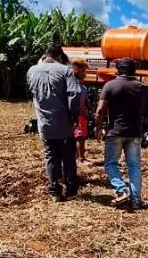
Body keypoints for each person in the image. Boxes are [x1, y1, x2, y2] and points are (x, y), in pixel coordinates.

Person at [95, 58, 148, 209]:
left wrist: (98, 127)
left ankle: (121, 189)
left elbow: (100, 110)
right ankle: (136, 200)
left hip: (115, 131)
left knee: (110, 163)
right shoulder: (143, 87)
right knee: (134, 166)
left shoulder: (110, 86)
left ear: (118, 70)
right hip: (135, 132)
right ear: (134, 71)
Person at [27, 44, 81, 201]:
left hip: (44, 123)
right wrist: (74, 116)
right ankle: (71, 190)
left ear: (46, 55)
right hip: (63, 123)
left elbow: (32, 92)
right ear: (59, 57)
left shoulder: (32, 71)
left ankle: (54, 191)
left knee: (50, 156)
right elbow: (74, 95)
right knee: (68, 157)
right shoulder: (65, 71)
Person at [71, 58, 92, 165]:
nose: (85, 73)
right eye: (83, 70)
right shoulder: (74, 85)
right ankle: (81, 158)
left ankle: (78, 157)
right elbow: (79, 101)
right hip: (78, 114)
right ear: (77, 69)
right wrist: (84, 112)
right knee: (80, 137)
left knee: (81, 136)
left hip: (80, 114)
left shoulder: (80, 85)